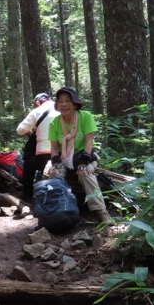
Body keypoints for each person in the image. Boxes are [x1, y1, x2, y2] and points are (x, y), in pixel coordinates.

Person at [45, 86, 110, 223]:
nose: (63, 104)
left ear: (75, 103)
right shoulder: (54, 123)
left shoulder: (85, 117)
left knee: (84, 172)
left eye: (67, 100)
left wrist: (83, 161)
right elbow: (54, 149)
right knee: (55, 175)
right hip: (65, 158)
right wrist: (55, 163)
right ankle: (60, 210)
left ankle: (101, 212)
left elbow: (89, 143)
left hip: (85, 156)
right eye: (60, 101)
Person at [16, 92, 59, 202]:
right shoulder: (61, 108)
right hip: (63, 152)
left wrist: (31, 129)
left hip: (45, 154)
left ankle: (28, 195)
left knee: (28, 164)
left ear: (38, 102)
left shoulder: (37, 111)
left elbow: (20, 130)